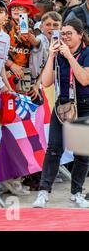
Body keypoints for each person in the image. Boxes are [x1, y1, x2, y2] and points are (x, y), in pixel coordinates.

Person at [33, 19, 89, 208]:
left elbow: (84, 79)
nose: (64, 37)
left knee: (81, 153)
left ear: (80, 35)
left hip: (83, 105)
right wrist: (51, 56)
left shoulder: (87, 53)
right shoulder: (58, 55)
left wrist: (70, 57)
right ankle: (43, 192)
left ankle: (76, 192)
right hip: (62, 105)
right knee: (54, 148)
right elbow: (47, 82)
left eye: (68, 33)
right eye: (62, 34)